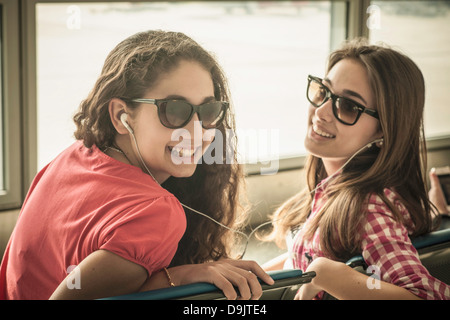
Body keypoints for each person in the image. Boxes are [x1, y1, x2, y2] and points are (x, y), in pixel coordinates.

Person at [0, 30, 273, 300]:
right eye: (175, 110)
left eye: (209, 111)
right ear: (121, 117)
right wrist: (180, 278)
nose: (198, 131)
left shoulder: (72, 157)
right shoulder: (158, 213)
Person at [264, 39, 450, 299]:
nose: (322, 112)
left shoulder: (367, 208)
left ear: (384, 128)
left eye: (348, 106)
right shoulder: (332, 189)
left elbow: (425, 295)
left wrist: (327, 275)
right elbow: (306, 257)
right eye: (323, 92)